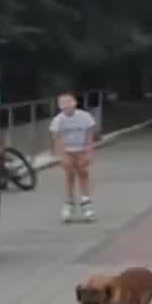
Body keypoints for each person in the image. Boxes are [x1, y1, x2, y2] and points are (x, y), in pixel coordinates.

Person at [50, 91, 99, 222]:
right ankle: (69, 202)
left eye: (69, 102)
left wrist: (89, 152)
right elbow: (56, 139)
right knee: (69, 175)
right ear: (59, 106)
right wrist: (61, 156)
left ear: (75, 102)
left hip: (81, 149)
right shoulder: (58, 120)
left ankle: (86, 201)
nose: (66, 105)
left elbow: (90, 136)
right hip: (67, 150)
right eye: (62, 103)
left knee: (83, 173)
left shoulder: (85, 117)